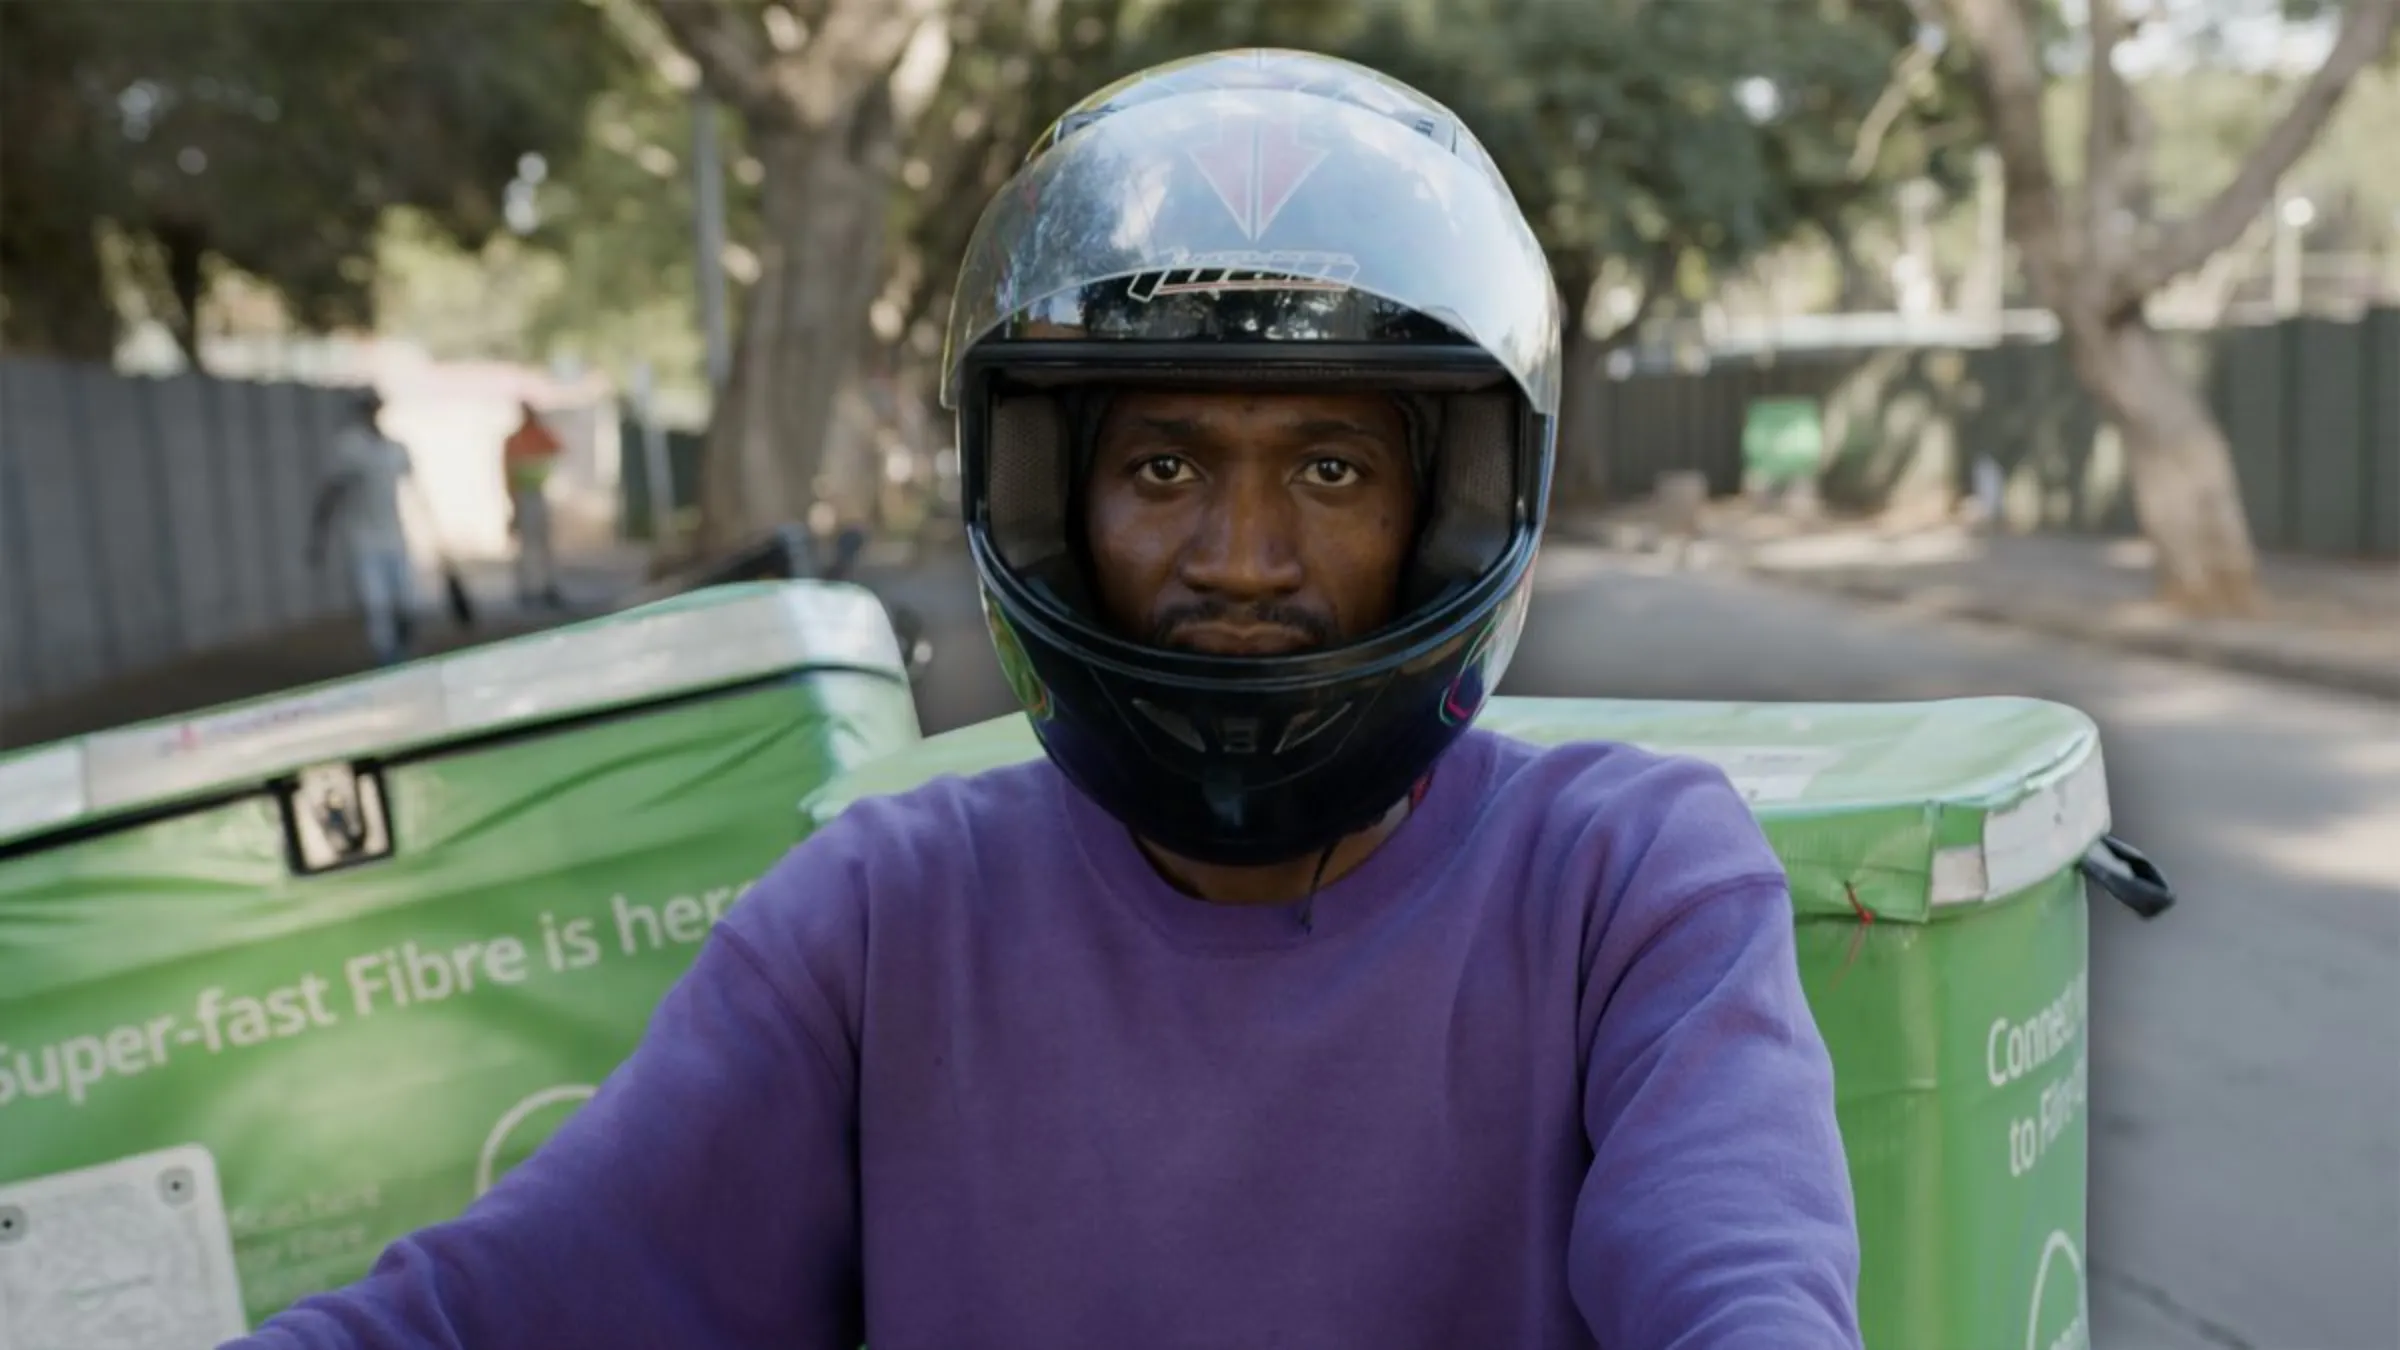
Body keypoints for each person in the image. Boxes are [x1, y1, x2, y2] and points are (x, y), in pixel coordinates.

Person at [227, 50, 1861, 1350]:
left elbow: (1740, 1281)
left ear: (1447, 513)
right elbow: (507, 1302)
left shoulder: (1624, 882)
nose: (1238, 556)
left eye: (1332, 467)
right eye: (1162, 464)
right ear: (1047, 505)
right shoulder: (881, 921)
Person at [308, 390, 419, 666]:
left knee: (407, 601)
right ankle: (388, 658)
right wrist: (318, 536)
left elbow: (415, 492)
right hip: (363, 539)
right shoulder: (350, 448)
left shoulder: (395, 449)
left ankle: (404, 651)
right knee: (377, 604)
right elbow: (331, 494)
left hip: (394, 536)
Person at [501, 400, 566, 609]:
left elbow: (559, 448)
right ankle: (528, 589)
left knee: (544, 544)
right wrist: (513, 503)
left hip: (538, 493)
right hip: (523, 496)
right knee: (526, 546)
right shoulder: (515, 440)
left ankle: (547, 586)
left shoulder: (540, 435)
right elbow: (508, 473)